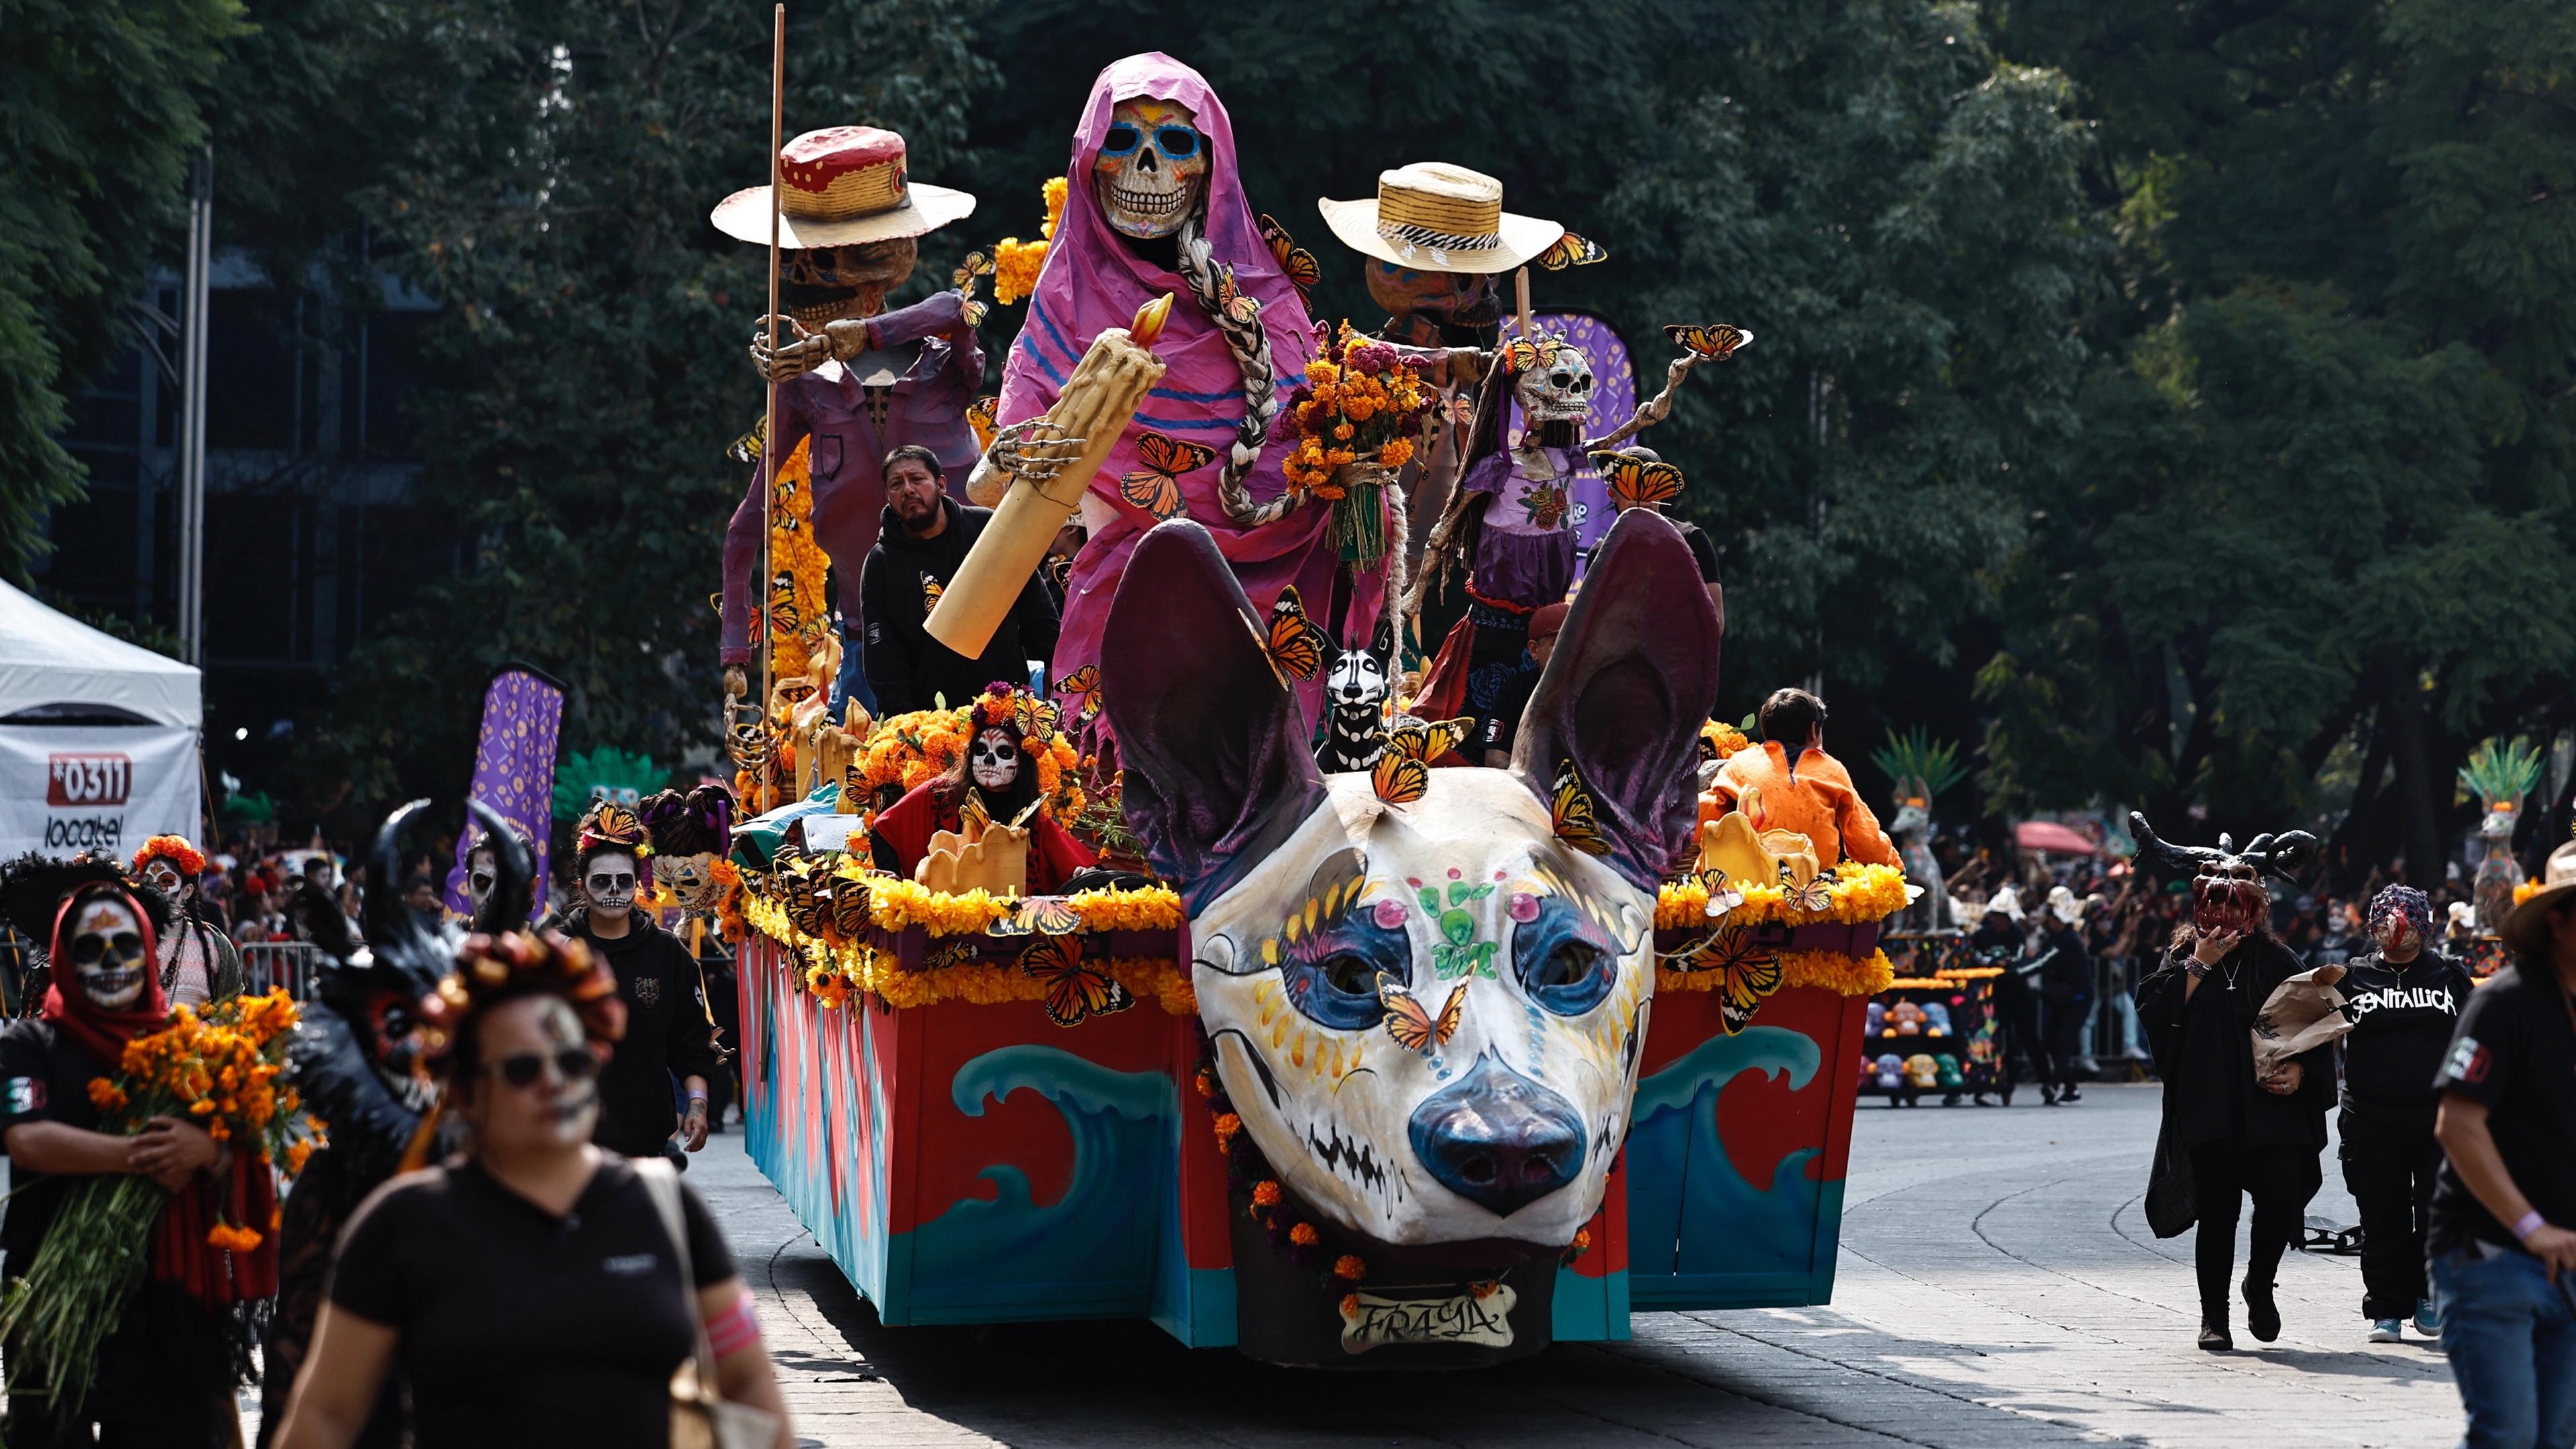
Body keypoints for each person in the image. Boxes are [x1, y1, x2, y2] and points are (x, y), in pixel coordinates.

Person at [272, 928, 794, 1449]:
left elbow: (747, 1381)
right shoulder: (402, 1223)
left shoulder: (667, 1207)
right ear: (465, 1092)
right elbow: (326, 1414)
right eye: (523, 1069)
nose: (554, 1082)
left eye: (572, 1060)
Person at [0, 857, 274, 1446]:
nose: (109, 962)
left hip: (164, 1303)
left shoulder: (187, 1048)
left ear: (149, 953)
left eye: (124, 945)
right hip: (48, 1297)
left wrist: (208, 1149)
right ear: (63, 955)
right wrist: (141, 1157)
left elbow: (245, 1146)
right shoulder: (30, 1043)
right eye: (89, 947)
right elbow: (28, 1139)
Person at [718, 125, 985, 717]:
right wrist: (736, 649)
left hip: (973, 628)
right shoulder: (806, 393)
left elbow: (953, 310)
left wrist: (864, 336)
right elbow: (747, 524)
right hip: (870, 642)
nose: (804, 283)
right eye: (799, 264)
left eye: (828, 264)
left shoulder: (944, 368)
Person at [2129, 816, 2334, 1351]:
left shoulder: (2277, 960)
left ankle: (2260, 1284)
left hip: (2271, 1110)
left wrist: (2302, 1069)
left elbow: (2318, 1023)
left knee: (2277, 1202)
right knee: (2217, 1212)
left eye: (2233, 905)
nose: (2221, 916)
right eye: (2211, 905)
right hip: (2212, 1107)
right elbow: (2155, 1010)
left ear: (2255, 908)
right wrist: (2200, 963)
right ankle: (2213, 1318)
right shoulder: (2183, 957)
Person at [2424, 842, 2576, 1446]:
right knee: (2507, 1434)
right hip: (2489, 1254)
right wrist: (2532, 1225)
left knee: (2558, 1437)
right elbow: (2457, 1124)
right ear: (2557, 921)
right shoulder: (2503, 1002)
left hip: (2568, 1260)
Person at [2312, 884, 2469, 1343]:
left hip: (2438, 1117)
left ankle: (2430, 1295)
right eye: (2384, 924)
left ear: (2424, 926)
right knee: (2383, 1215)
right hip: (2371, 1118)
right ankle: (2385, 1308)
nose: (2396, 934)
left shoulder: (2449, 973)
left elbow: (2477, 1035)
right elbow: (2313, 1031)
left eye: (2405, 925)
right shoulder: (2353, 975)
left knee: (2437, 1213)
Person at [564, 804, 718, 1166]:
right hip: (567, 1143)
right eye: (601, 881)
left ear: (639, 883)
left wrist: (698, 1104)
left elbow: (692, 1042)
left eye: (624, 880)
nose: (614, 890)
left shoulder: (667, 953)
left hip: (644, 1142)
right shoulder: (555, 949)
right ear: (582, 886)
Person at [859, 444, 1060, 715]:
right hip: (934, 725)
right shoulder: (880, 564)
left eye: (917, 479)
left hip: (1004, 706)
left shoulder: (987, 529)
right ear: (888, 496)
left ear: (941, 484)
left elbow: (1035, 607)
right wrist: (904, 723)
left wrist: (1054, 663)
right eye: (896, 484)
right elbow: (882, 655)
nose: (908, 490)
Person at [870, 685, 1095, 894]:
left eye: (1004, 753)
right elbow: (883, 829)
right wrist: (894, 879)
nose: (988, 760)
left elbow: (1076, 866)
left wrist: (1083, 876)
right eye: (981, 750)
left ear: (1023, 766)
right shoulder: (940, 794)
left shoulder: (1031, 819)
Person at [1701, 688, 1900, 869]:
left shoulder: (1740, 764)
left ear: (1766, 730)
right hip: (1816, 890)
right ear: (1814, 730)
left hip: (1750, 885)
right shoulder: (1832, 770)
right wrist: (1894, 865)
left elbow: (1703, 817)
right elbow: (1867, 842)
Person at [129, 834, 244, 1008]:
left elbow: (232, 1007)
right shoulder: (129, 940)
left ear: (188, 891)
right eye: (148, 881)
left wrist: (203, 1028)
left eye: (166, 881)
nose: (154, 889)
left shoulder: (214, 943)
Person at [1477, 602, 1566, 766]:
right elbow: (1495, 758)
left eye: (1574, 641)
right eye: (1558, 642)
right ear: (1534, 650)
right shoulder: (1514, 692)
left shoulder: (1596, 691)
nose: (1569, 649)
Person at [2038, 885, 2091, 1104]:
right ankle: (2070, 1088)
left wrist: (2013, 969)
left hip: (2078, 999)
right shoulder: (2055, 938)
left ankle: (2054, 1084)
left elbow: (2041, 961)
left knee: (2064, 1040)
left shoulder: (2068, 939)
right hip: (2061, 998)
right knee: (2051, 1039)